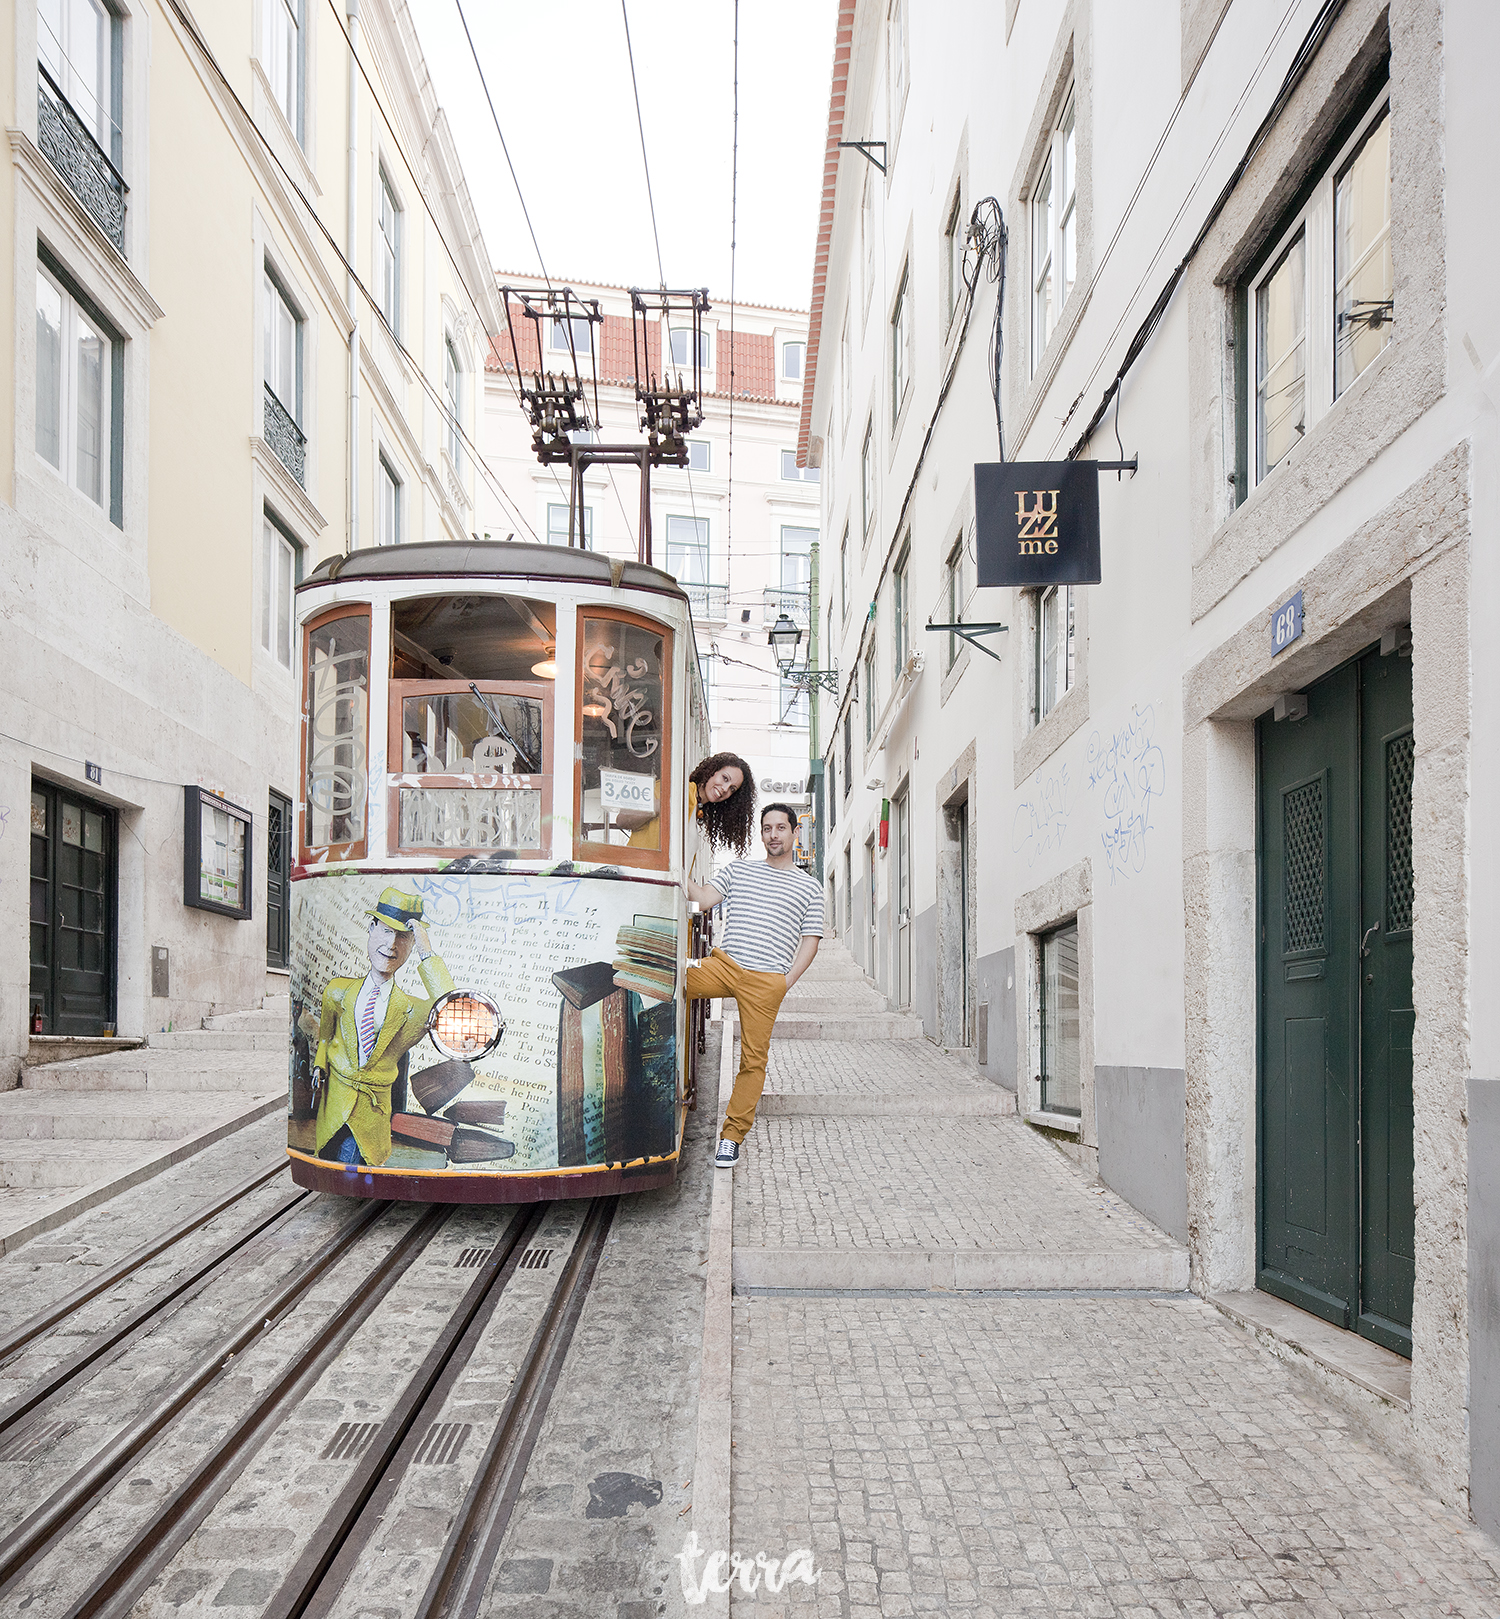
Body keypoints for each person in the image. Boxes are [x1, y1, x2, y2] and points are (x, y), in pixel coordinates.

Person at [681, 802, 824, 1168]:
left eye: (780, 828)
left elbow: (811, 939)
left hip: (766, 982)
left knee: (753, 1060)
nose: (772, 835)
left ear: (795, 833)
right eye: (766, 828)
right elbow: (702, 898)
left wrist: (785, 982)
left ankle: (731, 1137)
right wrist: (676, 869)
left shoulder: (810, 888)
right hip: (725, 966)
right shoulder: (739, 870)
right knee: (671, 979)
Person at [312, 887, 455, 1167]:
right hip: (335, 1102)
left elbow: (451, 1007)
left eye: (403, 937)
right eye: (387, 931)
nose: (391, 945)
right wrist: (319, 1065)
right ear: (371, 928)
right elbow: (325, 1037)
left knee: (353, 1165)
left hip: (372, 1110)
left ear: (412, 944)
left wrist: (428, 955)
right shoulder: (338, 991)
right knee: (328, 1158)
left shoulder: (414, 1010)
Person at [628, 750, 756, 855]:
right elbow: (623, 819)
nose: (725, 789)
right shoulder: (678, 790)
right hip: (638, 875)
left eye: (732, 789)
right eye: (725, 778)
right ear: (713, 772)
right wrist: (665, 803)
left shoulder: (697, 808)